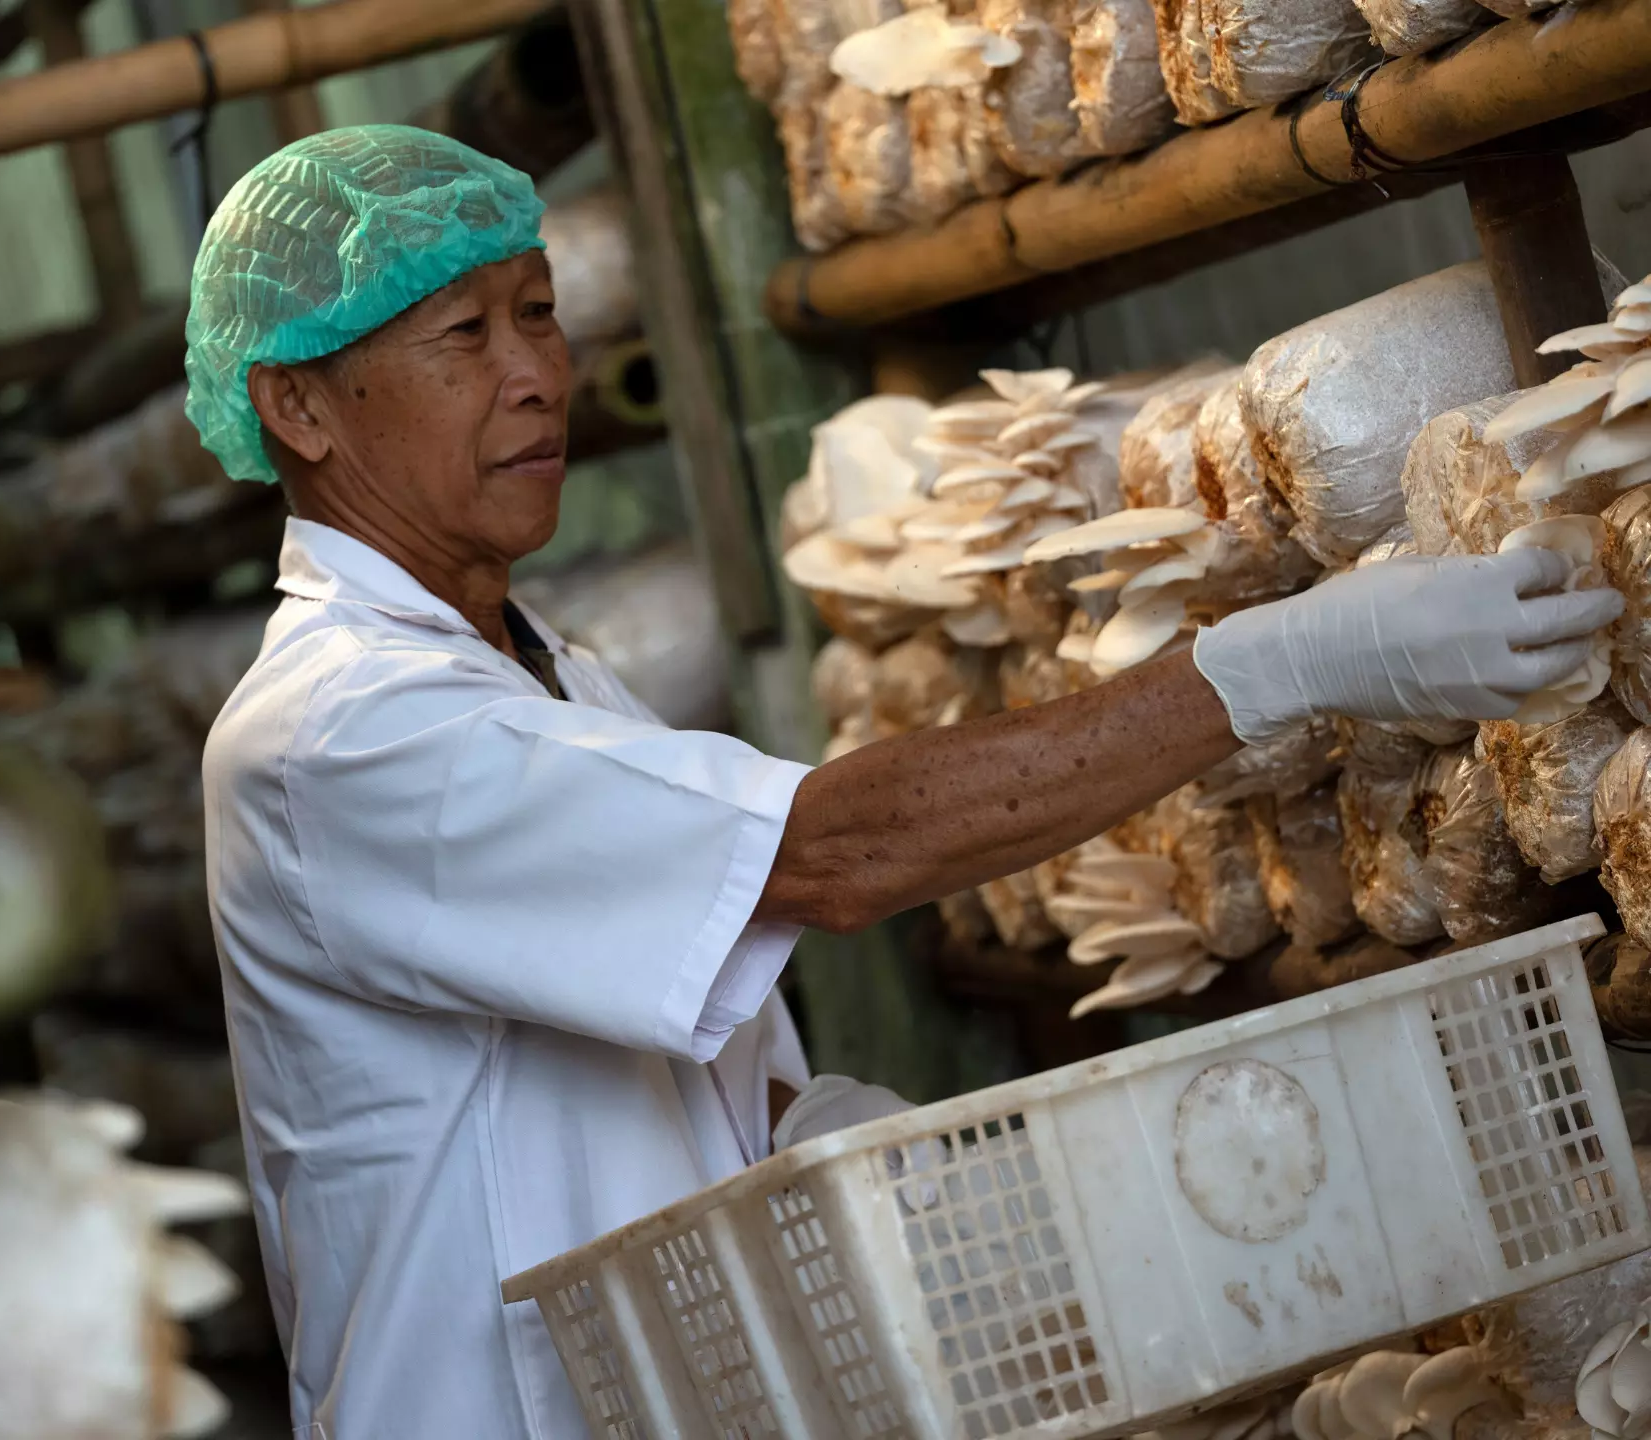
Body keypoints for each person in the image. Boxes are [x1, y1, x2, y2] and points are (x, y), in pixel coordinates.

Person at [189, 126, 1621, 1440]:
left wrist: (831, 1152)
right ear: (300, 408)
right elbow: (829, 855)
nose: (536, 372)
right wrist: (1286, 660)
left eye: (542, 311)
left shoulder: (545, 671)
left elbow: (657, 1036)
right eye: (462, 334)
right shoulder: (340, 737)